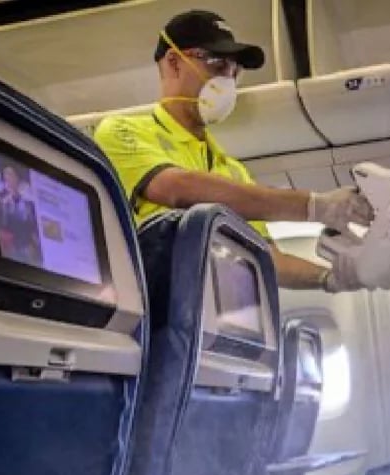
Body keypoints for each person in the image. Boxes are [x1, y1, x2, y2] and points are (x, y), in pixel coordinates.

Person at [94, 10, 373, 292]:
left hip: (219, 319)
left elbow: (266, 260)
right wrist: (314, 206)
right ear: (174, 63)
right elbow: (176, 188)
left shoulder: (233, 171)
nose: (228, 78)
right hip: (158, 316)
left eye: (235, 70)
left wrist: (332, 278)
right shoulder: (121, 131)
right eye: (216, 63)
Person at [0, 165, 42, 266]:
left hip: (28, 246)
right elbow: (1, 225)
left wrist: (34, 243)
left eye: (10, 175)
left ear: (17, 178)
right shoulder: (2, 202)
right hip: (11, 248)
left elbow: (33, 224)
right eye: (5, 177)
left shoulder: (29, 200)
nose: (8, 179)